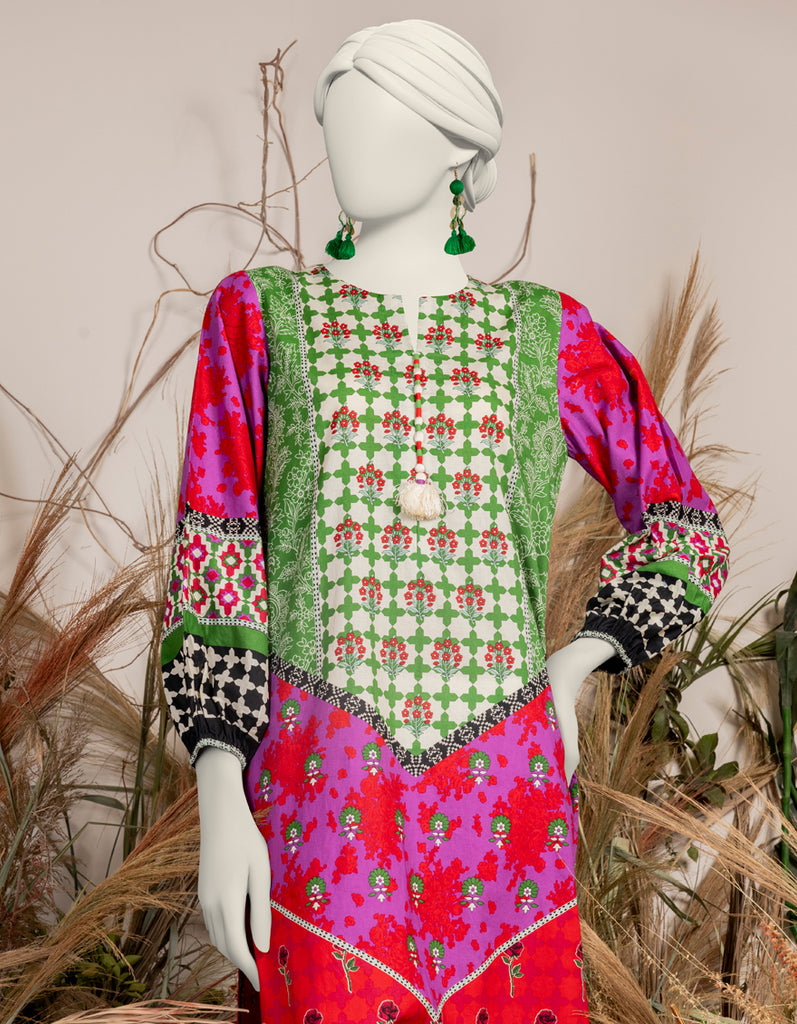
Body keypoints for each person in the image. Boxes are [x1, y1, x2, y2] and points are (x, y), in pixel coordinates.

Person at [160, 19, 730, 1024]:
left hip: (504, 791)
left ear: (457, 149)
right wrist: (217, 779)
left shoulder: (546, 334)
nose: (347, 149)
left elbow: (684, 524)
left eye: (380, 121)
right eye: (336, 124)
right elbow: (219, 556)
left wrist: (575, 662)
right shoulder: (258, 317)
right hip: (324, 791)